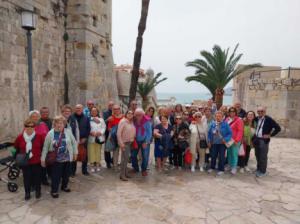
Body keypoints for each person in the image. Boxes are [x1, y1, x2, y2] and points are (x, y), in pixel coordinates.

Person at [41, 116, 78, 198]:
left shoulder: (68, 132)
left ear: (64, 124)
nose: (59, 125)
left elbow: (74, 143)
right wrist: (43, 159)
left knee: (66, 174)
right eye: (57, 123)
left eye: (61, 123)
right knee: (56, 176)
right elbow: (45, 147)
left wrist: (75, 153)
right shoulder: (50, 133)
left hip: (67, 158)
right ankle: (54, 190)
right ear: (54, 124)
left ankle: (64, 186)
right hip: (56, 159)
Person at [14, 119, 44, 200]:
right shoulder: (20, 137)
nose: (30, 128)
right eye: (28, 126)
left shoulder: (39, 136)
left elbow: (43, 147)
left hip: (36, 161)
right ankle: (27, 192)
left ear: (34, 127)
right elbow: (16, 147)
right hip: (25, 162)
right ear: (25, 127)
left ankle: (38, 191)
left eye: (32, 126)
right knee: (27, 178)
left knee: (37, 177)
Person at [254, 106, 281, 177]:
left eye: (262, 111)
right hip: (256, 139)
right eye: (258, 111)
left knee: (263, 156)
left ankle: (263, 171)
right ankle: (258, 168)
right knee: (257, 155)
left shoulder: (269, 119)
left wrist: (270, 135)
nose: (260, 112)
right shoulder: (256, 118)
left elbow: (278, 128)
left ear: (265, 112)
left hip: (263, 140)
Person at [207, 111, 232, 176]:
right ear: (215, 117)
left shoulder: (225, 124)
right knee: (213, 156)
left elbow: (229, 134)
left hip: (222, 143)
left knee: (221, 157)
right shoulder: (212, 124)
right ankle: (212, 167)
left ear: (222, 117)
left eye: (220, 116)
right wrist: (209, 141)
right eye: (217, 116)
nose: (218, 117)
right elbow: (209, 133)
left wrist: (225, 139)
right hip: (214, 143)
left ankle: (221, 169)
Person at [29, 110, 49, 185]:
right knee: (34, 166)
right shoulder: (28, 125)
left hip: (43, 147)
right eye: (33, 117)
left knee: (43, 164)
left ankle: (44, 179)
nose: (35, 118)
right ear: (30, 118)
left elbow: (48, 134)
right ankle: (34, 181)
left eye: (36, 116)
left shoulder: (43, 124)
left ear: (39, 117)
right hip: (33, 149)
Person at [71, 104, 91, 176]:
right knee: (74, 155)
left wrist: (85, 137)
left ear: (82, 109)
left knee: (84, 155)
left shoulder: (86, 118)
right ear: (75, 109)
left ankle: (84, 170)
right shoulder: (71, 117)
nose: (78, 109)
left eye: (79, 108)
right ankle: (72, 171)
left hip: (83, 139)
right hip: (73, 140)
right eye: (76, 108)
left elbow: (88, 129)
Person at [132, 108, 152, 176]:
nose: (138, 116)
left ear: (143, 114)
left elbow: (149, 132)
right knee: (133, 155)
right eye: (137, 115)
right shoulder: (133, 121)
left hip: (145, 140)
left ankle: (144, 169)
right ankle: (136, 168)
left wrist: (146, 142)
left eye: (140, 115)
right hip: (136, 140)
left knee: (145, 156)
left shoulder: (147, 121)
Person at [117, 110, 136, 181]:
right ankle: (122, 175)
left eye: (132, 113)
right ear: (126, 114)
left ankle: (125, 173)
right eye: (129, 113)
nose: (130, 114)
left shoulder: (131, 122)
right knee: (124, 159)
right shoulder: (123, 121)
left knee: (126, 159)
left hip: (130, 143)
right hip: (124, 143)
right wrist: (121, 144)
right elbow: (118, 134)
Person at [225, 107, 244, 175]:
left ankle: (234, 167)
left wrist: (237, 140)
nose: (232, 112)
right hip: (228, 140)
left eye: (233, 111)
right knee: (229, 153)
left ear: (235, 112)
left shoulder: (239, 120)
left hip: (235, 140)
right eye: (230, 111)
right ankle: (230, 165)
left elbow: (240, 131)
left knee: (234, 154)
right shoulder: (227, 119)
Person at [88, 107, 106, 172]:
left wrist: (100, 132)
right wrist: (90, 132)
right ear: (90, 112)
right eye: (92, 111)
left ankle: (98, 164)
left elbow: (104, 127)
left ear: (97, 112)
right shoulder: (88, 119)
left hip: (99, 138)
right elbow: (87, 127)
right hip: (91, 137)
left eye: (95, 111)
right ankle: (92, 165)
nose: (94, 112)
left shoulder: (101, 120)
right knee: (91, 152)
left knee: (98, 152)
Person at [106, 104, 124, 168]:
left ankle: (123, 165)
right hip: (114, 138)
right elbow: (108, 128)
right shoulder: (111, 118)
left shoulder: (124, 117)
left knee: (123, 152)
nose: (116, 110)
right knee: (115, 152)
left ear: (120, 109)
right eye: (115, 109)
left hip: (123, 137)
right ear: (113, 110)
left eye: (117, 109)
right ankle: (115, 166)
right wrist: (115, 130)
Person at [103, 100, 114, 168]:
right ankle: (108, 162)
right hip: (107, 132)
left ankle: (113, 160)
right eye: (110, 105)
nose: (111, 106)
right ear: (108, 106)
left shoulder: (117, 112)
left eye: (112, 105)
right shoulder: (105, 113)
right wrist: (107, 120)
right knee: (107, 147)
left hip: (115, 132)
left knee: (115, 147)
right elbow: (103, 122)